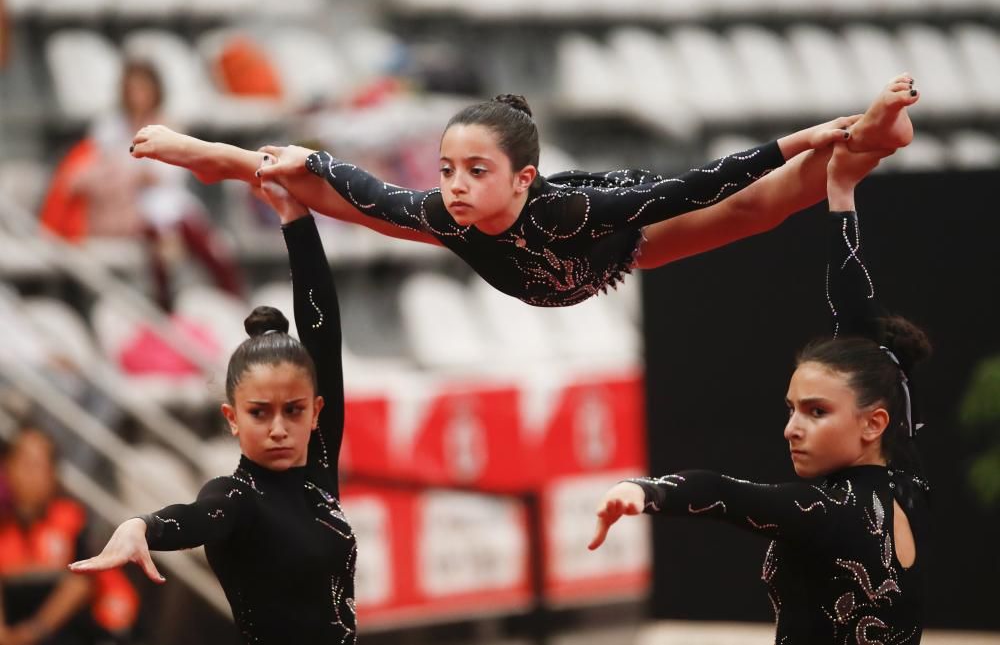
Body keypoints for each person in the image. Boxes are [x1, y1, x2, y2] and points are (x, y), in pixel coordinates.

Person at [128, 75, 917, 307]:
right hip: (515, 261)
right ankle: (211, 155)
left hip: (609, 240)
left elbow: (690, 187)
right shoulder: (447, 213)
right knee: (342, 197)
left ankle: (871, 139)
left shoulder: (569, 207)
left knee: (752, 210)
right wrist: (218, 150)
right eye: (446, 170)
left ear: (523, 178)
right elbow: (341, 178)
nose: (455, 186)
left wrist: (797, 139)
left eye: (476, 172)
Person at [588, 140, 931, 643]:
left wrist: (648, 491)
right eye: (792, 409)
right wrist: (840, 196)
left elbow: (724, 494)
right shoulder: (906, 480)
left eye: (816, 412)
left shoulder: (829, 515)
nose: (792, 428)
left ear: (873, 422)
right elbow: (860, 323)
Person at [68, 181, 357, 644]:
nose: (280, 428)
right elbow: (197, 516)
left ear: (316, 411)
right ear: (232, 418)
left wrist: (296, 221)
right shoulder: (236, 499)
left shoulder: (318, 469)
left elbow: (323, 333)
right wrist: (142, 525)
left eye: (294, 410)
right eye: (260, 413)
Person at [41, 58, 243, 311]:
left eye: (143, 88)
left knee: (199, 239)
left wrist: (134, 173)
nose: (138, 95)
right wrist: (132, 176)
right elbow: (105, 169)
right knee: (160, 242)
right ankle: (166, 305)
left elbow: (168, 173)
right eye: (133, 89)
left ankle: (231, 297)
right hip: (126, 207)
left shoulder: (167, 124)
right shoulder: (109, 127)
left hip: (166, 202)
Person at [0, 426, 138, 645]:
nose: (32, 475)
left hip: (90, 628)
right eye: (24, 464)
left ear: (54, 473)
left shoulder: (71, 517)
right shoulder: (4, 527)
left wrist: (33, 632)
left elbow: (81, 584)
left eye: (40, 465)